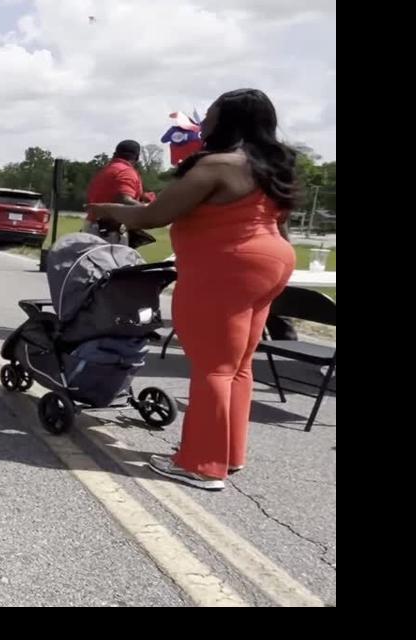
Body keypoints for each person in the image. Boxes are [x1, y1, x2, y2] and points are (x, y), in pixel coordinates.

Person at [89, 89, 297, 491]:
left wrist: (106, 210)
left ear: (227, 123)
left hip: (227, 266)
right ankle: (229, 454)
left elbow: (155, 214)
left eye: (211, 117)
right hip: (271, 261)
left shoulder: (217, 165)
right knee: (238, 365)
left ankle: (201, 464)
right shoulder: (274, 167)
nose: (203, 125)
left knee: (214, 367)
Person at [86, 140, 155, 245]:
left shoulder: (106, 170)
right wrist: (150, 209)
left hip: (93, 227)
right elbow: (124, 200)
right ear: (136, 157)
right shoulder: (126, 171)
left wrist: (140, 197)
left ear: (115, 154)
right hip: (109, 233)